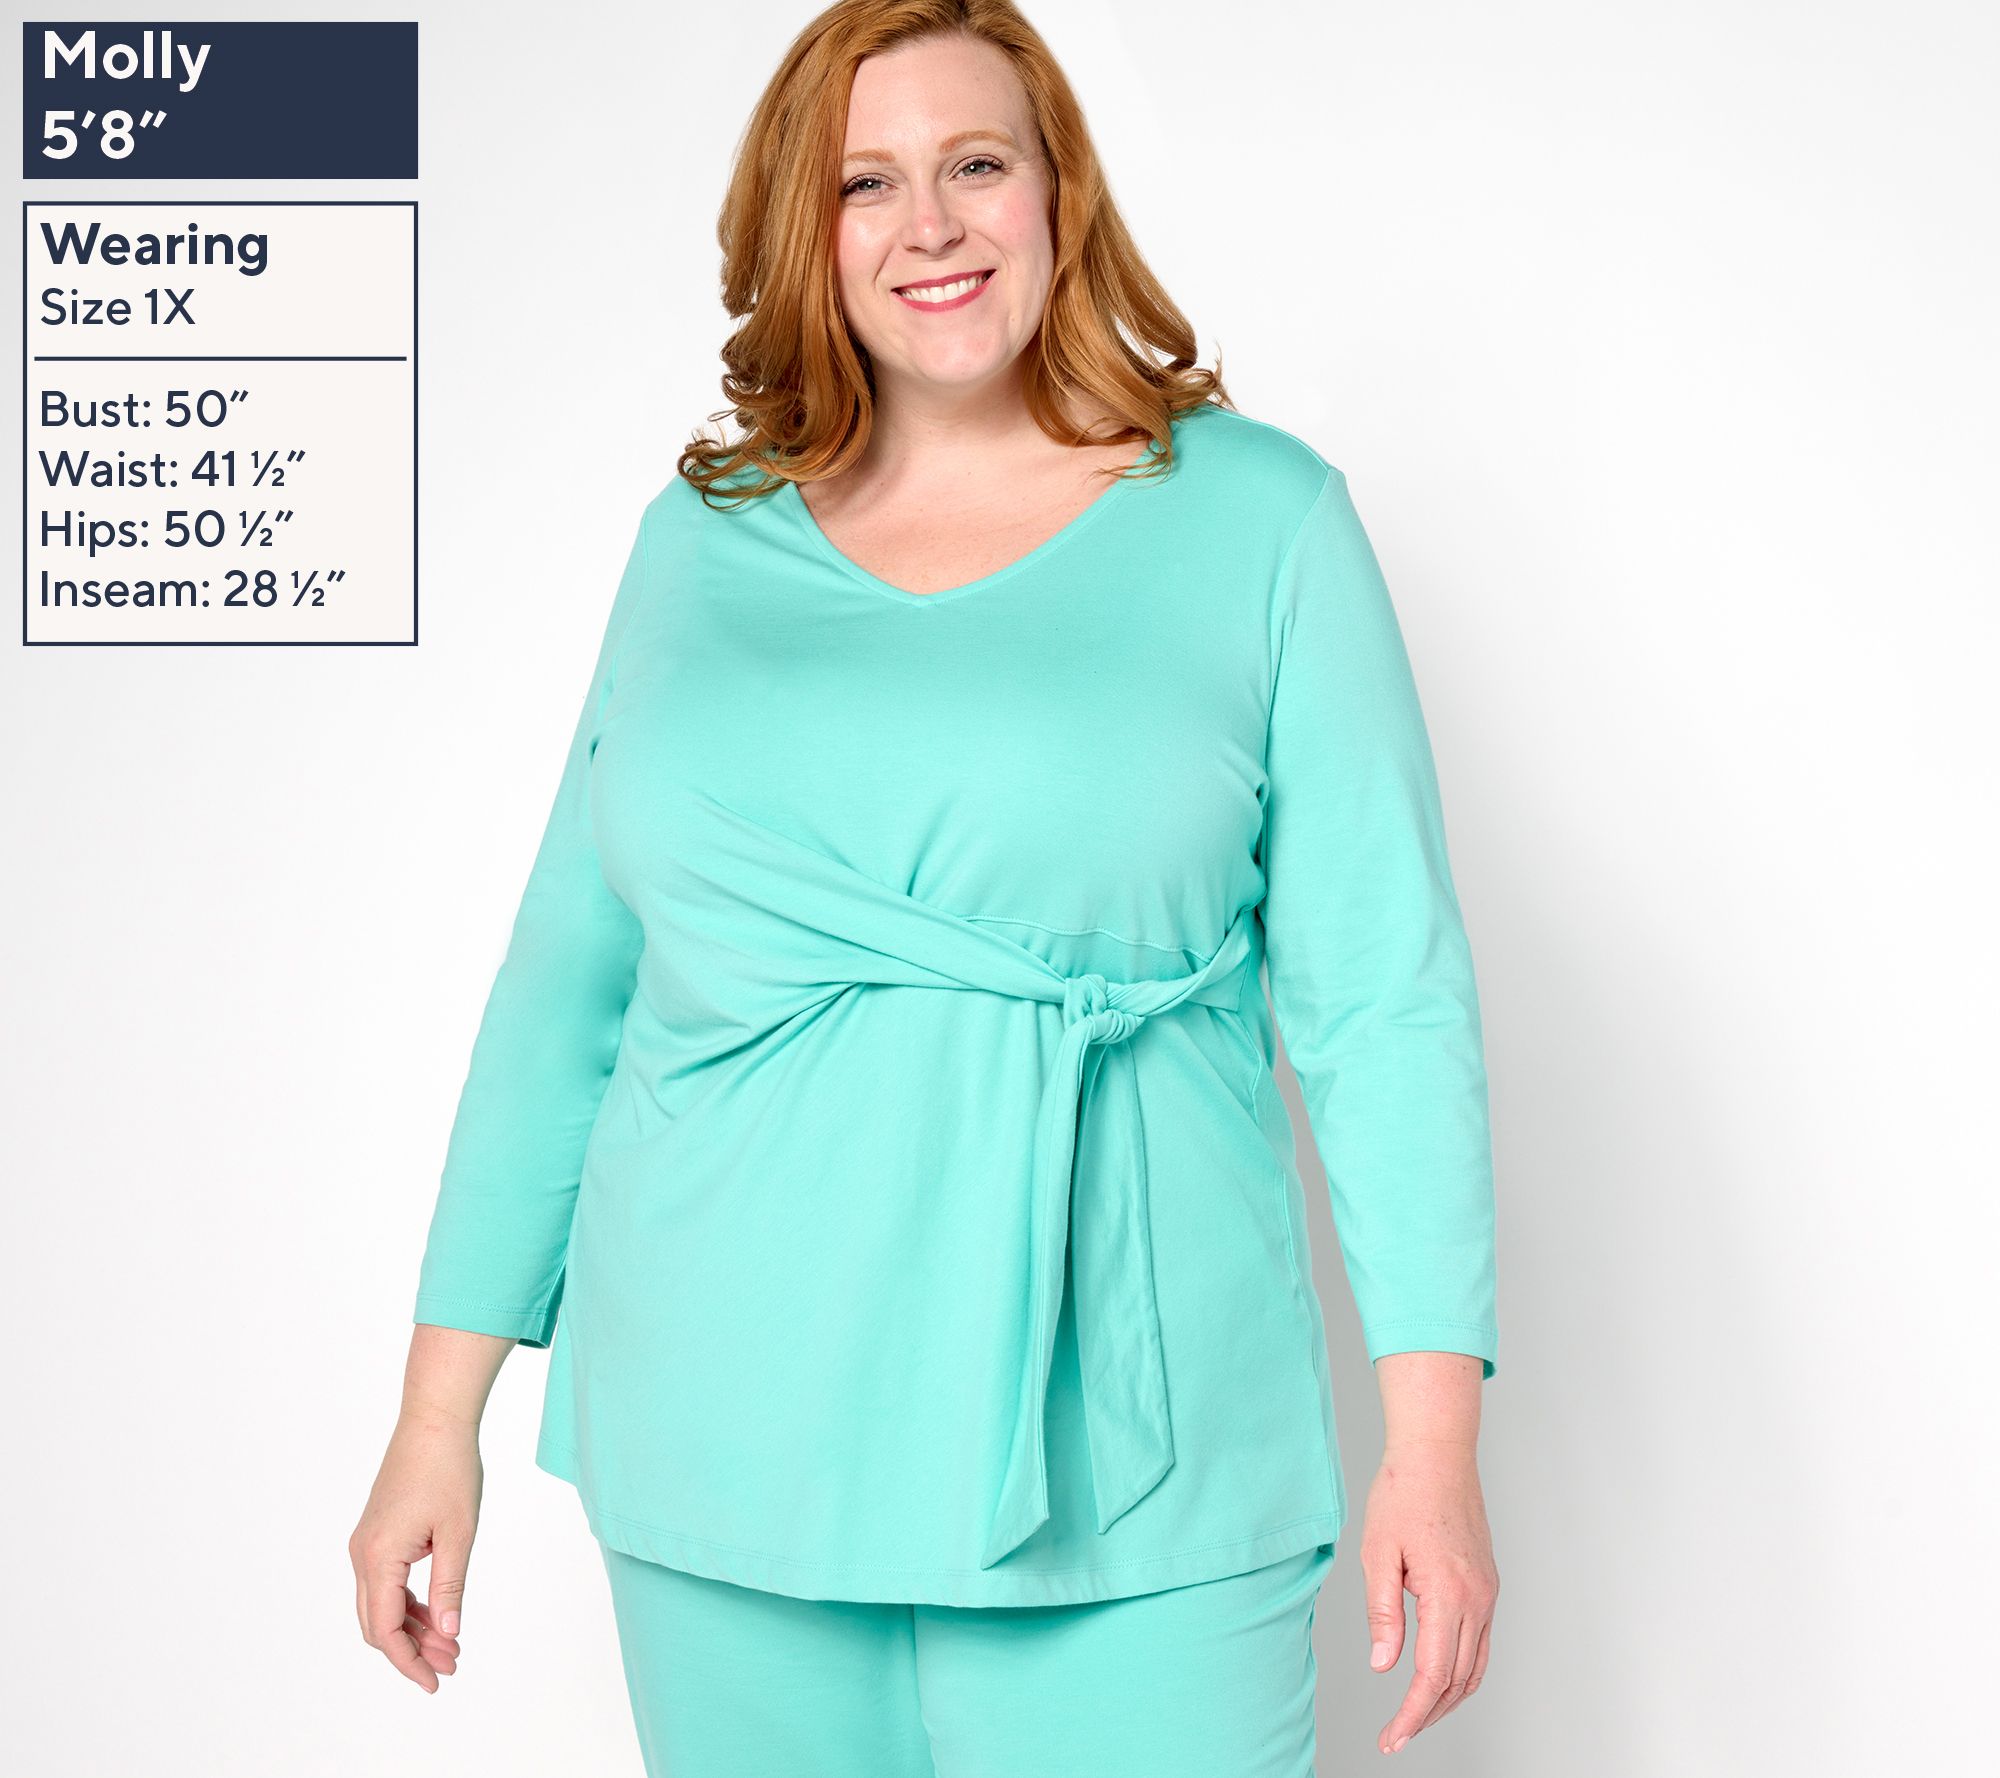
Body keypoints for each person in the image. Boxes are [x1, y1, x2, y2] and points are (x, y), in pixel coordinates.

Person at [349, 3, 1501, 1772]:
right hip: (719, 1431)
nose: (931, 225)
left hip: (1138, 1460)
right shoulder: (697, 540)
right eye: (865, 184)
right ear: (806, 232)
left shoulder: (1264, 522)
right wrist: (441, 1413)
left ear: (1059, 191)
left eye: (976, 163)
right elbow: (569, 984)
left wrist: (1434, 1445)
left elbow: (1384, 1001)